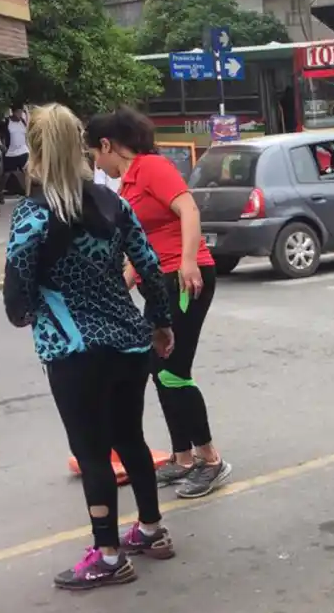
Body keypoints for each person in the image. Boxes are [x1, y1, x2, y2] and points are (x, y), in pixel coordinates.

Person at [3, 104, 176, 589]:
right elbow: (147, 261)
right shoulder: (112, 203)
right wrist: (159, 323)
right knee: (131, 439)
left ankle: (107, 557)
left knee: (92, 450)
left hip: (73, 350)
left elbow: (16, 292)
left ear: (35, 152)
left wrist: (28, 314)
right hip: (126, 341)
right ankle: (152, 530)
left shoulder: (33, 215)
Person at [85, 107, 231, 498]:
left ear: (107, 145)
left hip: (186, 277)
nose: (96, 164)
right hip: (160, 281)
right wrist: (118, 286)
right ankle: (182, 458)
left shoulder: (151, 167)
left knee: (173, 370)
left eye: (94, 155)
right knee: (157, 368)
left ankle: (211, 460)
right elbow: (141, 247)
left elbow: (188, 208)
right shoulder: (129, 184)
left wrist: (186, 262)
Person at [0, 104, 29, 201]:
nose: (20, 114)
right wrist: (1, 146)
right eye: (18, 112)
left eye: (21, 112)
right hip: (10, 152)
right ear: (13, 112)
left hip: (23, 151)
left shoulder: (23, 122)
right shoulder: (5, 122)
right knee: (7, 174)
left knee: (28, 172)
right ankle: (0, 192)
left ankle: (28, 193)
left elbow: (26, 136)